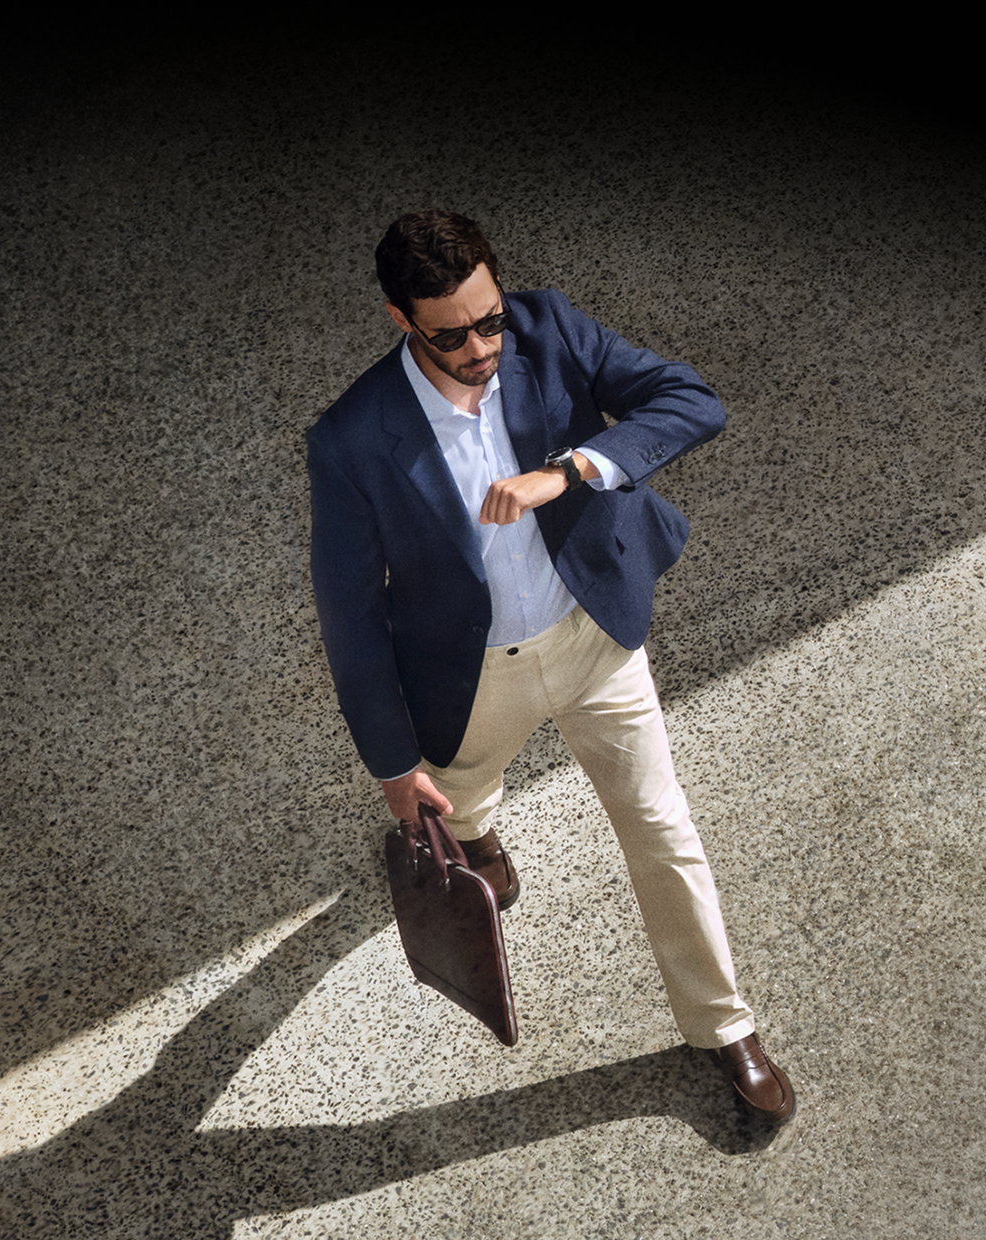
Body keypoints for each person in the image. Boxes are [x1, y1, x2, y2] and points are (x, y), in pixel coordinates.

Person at [307, 210, 793, 1124]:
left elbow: (694, 402)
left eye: (489, 319)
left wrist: (571, 469)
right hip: (471, 668)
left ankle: (726, 1026)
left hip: (592, 639)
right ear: (399, 320)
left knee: (663, 832)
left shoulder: (549, 327)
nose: (483, 345)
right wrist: (390, 763)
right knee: (458, 789)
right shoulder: (352, 438)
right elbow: (351, 613)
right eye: (452, 334)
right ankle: (484, 842)